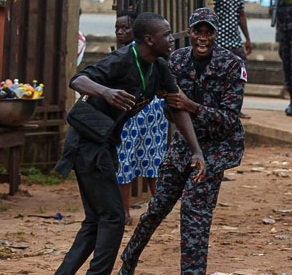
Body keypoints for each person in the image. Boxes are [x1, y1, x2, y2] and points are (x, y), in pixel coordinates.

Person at [53, 12, 206, 275]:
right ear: (149, 39)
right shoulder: (121, 60)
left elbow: (177, 106)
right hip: (87, 145)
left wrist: (196, 150)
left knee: (95, 221)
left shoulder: (159, 67)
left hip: (106, 144)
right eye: (166, 35)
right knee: (113, 217)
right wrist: (106, 91)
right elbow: (77, 80)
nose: (171, 39)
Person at [119, 8, 247, 274]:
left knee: (194, 213)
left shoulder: (231, 64)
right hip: (184, 146)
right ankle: (128, 261)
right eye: (197, 31)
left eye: (208, 32)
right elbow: (169, 107)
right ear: (189, 32)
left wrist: (192, 106)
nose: (202, 38)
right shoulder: (175, 61)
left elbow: (230, 119)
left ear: (215, 33)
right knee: (156, 208)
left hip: (217, 148)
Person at [112, 10, 165, 226]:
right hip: (128, 113)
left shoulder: (150, 55)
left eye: (125, 27)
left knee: (154, 159)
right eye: (117, 28)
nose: (120, 32)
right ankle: (124, 211)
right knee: (124, 161)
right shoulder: (118, 56)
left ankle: (159, 207)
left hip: (151, 112)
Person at [214, 0, 253, 119]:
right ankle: (221, 108)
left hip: (234, 41)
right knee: (219, 75)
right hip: (219, 41)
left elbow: (241, 14)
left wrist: (247, 38)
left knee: (240, 74)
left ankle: (235, 108)